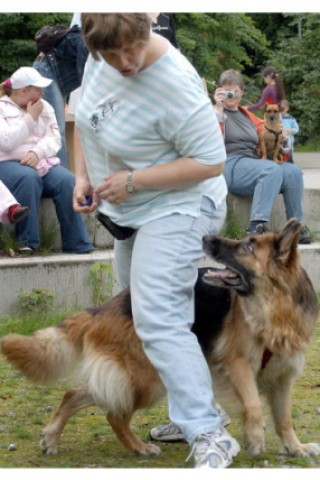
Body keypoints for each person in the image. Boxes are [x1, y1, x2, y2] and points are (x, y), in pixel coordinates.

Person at [73, 13, 240, 469]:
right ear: (94, 48)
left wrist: (134, 180)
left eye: (133, 49)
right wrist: (82, 176)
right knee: (147, 314)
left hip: (181, 203)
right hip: (128, 207)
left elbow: (210, 162)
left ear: (146, 34)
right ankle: (194, 412)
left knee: (157, 316)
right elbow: (82, 119)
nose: (125, 62)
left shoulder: (175, 83)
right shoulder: (98, 60)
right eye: (112, 54)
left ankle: (209, 433)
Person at [0, 66, 93, 254]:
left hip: (42, 161)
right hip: (8, 164)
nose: (42, 92)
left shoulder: (45, 106)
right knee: (27, 178)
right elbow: (7, 142)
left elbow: (54, 138)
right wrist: (30, 118)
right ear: (24, 90)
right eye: (38, 88)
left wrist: (37, 153)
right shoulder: (1, 108)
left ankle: (78, 243)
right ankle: (27, 242)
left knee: (67, 180)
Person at [214, 69, 310, 244]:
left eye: (235, 90)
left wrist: (283, 138)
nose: (231, 95)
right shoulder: (213, 113)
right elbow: (212, 141)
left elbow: (271, 141)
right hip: (229, 164)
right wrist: (219, 110)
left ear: (242, 92)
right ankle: (256, 227)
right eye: (226, 90)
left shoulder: (249, 116)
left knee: (293, 172)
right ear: (219, 90)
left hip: (253, 161)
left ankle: (294, 227)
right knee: (270, 168)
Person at [33, 21, 89, 168]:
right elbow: (88, 82)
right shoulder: (86, 44)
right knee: (56, 130)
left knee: (56, 128)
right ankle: (63, 180)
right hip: (46, 73)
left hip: (56, 75)